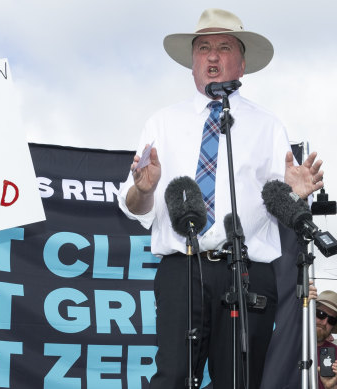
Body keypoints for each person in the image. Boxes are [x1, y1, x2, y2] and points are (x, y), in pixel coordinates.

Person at [117, 8, 324, 389]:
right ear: (192, 62)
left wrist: (295, 194)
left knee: (239, 381)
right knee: (173, 378)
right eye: (203, 48)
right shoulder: (161, 123)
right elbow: (134, 208)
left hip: (247, 273)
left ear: (241, 64)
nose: (212, 56)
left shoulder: (268, 126)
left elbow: (281, 202)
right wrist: (143, 189)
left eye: (223, 47)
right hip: (183, 267)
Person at [315, 290, 337, 389]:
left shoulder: (336, 352)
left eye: (331, 320)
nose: (324, 323)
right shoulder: (290, 342)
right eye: (321, 314)